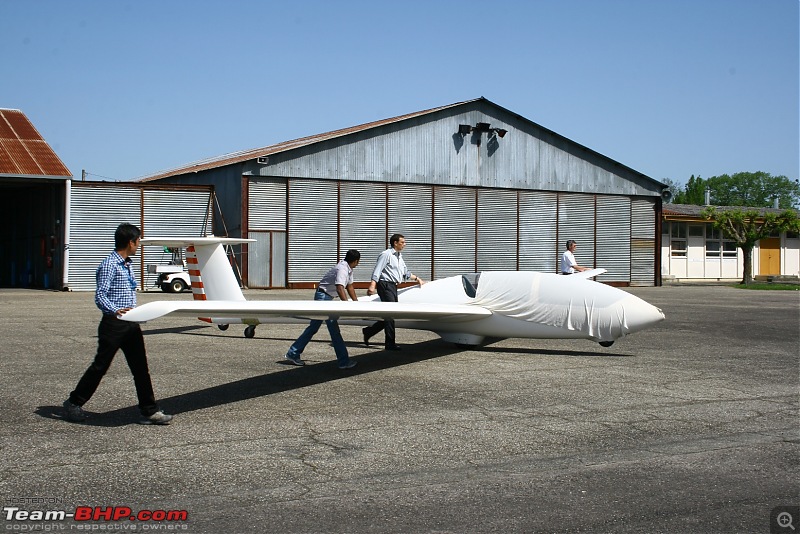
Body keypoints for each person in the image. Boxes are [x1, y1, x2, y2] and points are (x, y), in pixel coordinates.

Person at [62, 223, 173, 425]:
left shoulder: (127, 264)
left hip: (131, 323)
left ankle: (149, 411)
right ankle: (73, 403)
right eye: (138, 241)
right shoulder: (109, 264)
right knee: (100, 366)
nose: (139, 245)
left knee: (141, 368)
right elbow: (100, 296)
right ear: (130, 242)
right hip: (114, 325)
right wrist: (115, 310)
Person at [284, 249, 361, 369]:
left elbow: (350, 286)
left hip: (326, 297)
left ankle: (293, 353)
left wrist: (356, 303)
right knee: (334, 330)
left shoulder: (349, 269)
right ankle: (343, 362)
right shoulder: (342, 269)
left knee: (313, 327)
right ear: (356, 261)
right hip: (323, 297)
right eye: (358, 262)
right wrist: (346, 305)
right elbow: (340, 287)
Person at [362, 234, 425, 350]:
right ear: (395, 243)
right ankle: (390, 343)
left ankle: (369, 331)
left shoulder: (399, 256)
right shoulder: (386, 255)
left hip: (393, 286)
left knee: (390, 314)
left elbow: (405, 272)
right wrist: (372, 285)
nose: (405, 244)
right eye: (403, 242)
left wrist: (417, 279)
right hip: (385, 285)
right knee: (390, 314)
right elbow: (377, 270)